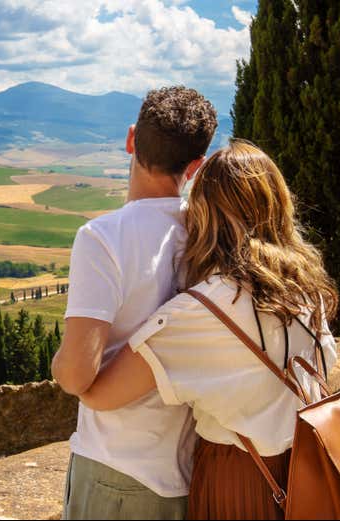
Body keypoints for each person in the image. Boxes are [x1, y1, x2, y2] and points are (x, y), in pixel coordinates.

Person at [76, 140, 339, 520]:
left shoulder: (203, 312)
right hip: (308, 469)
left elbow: (99, 394)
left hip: (239, 479)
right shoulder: (306, 290)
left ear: (206, 213)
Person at [52, 86, 218, 520]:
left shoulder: (102, 239)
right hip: (187, 472)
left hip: (114, 468)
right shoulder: (209, 239)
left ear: (131, 140)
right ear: (196, 165)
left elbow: (75, 375)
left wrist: (59, 363)